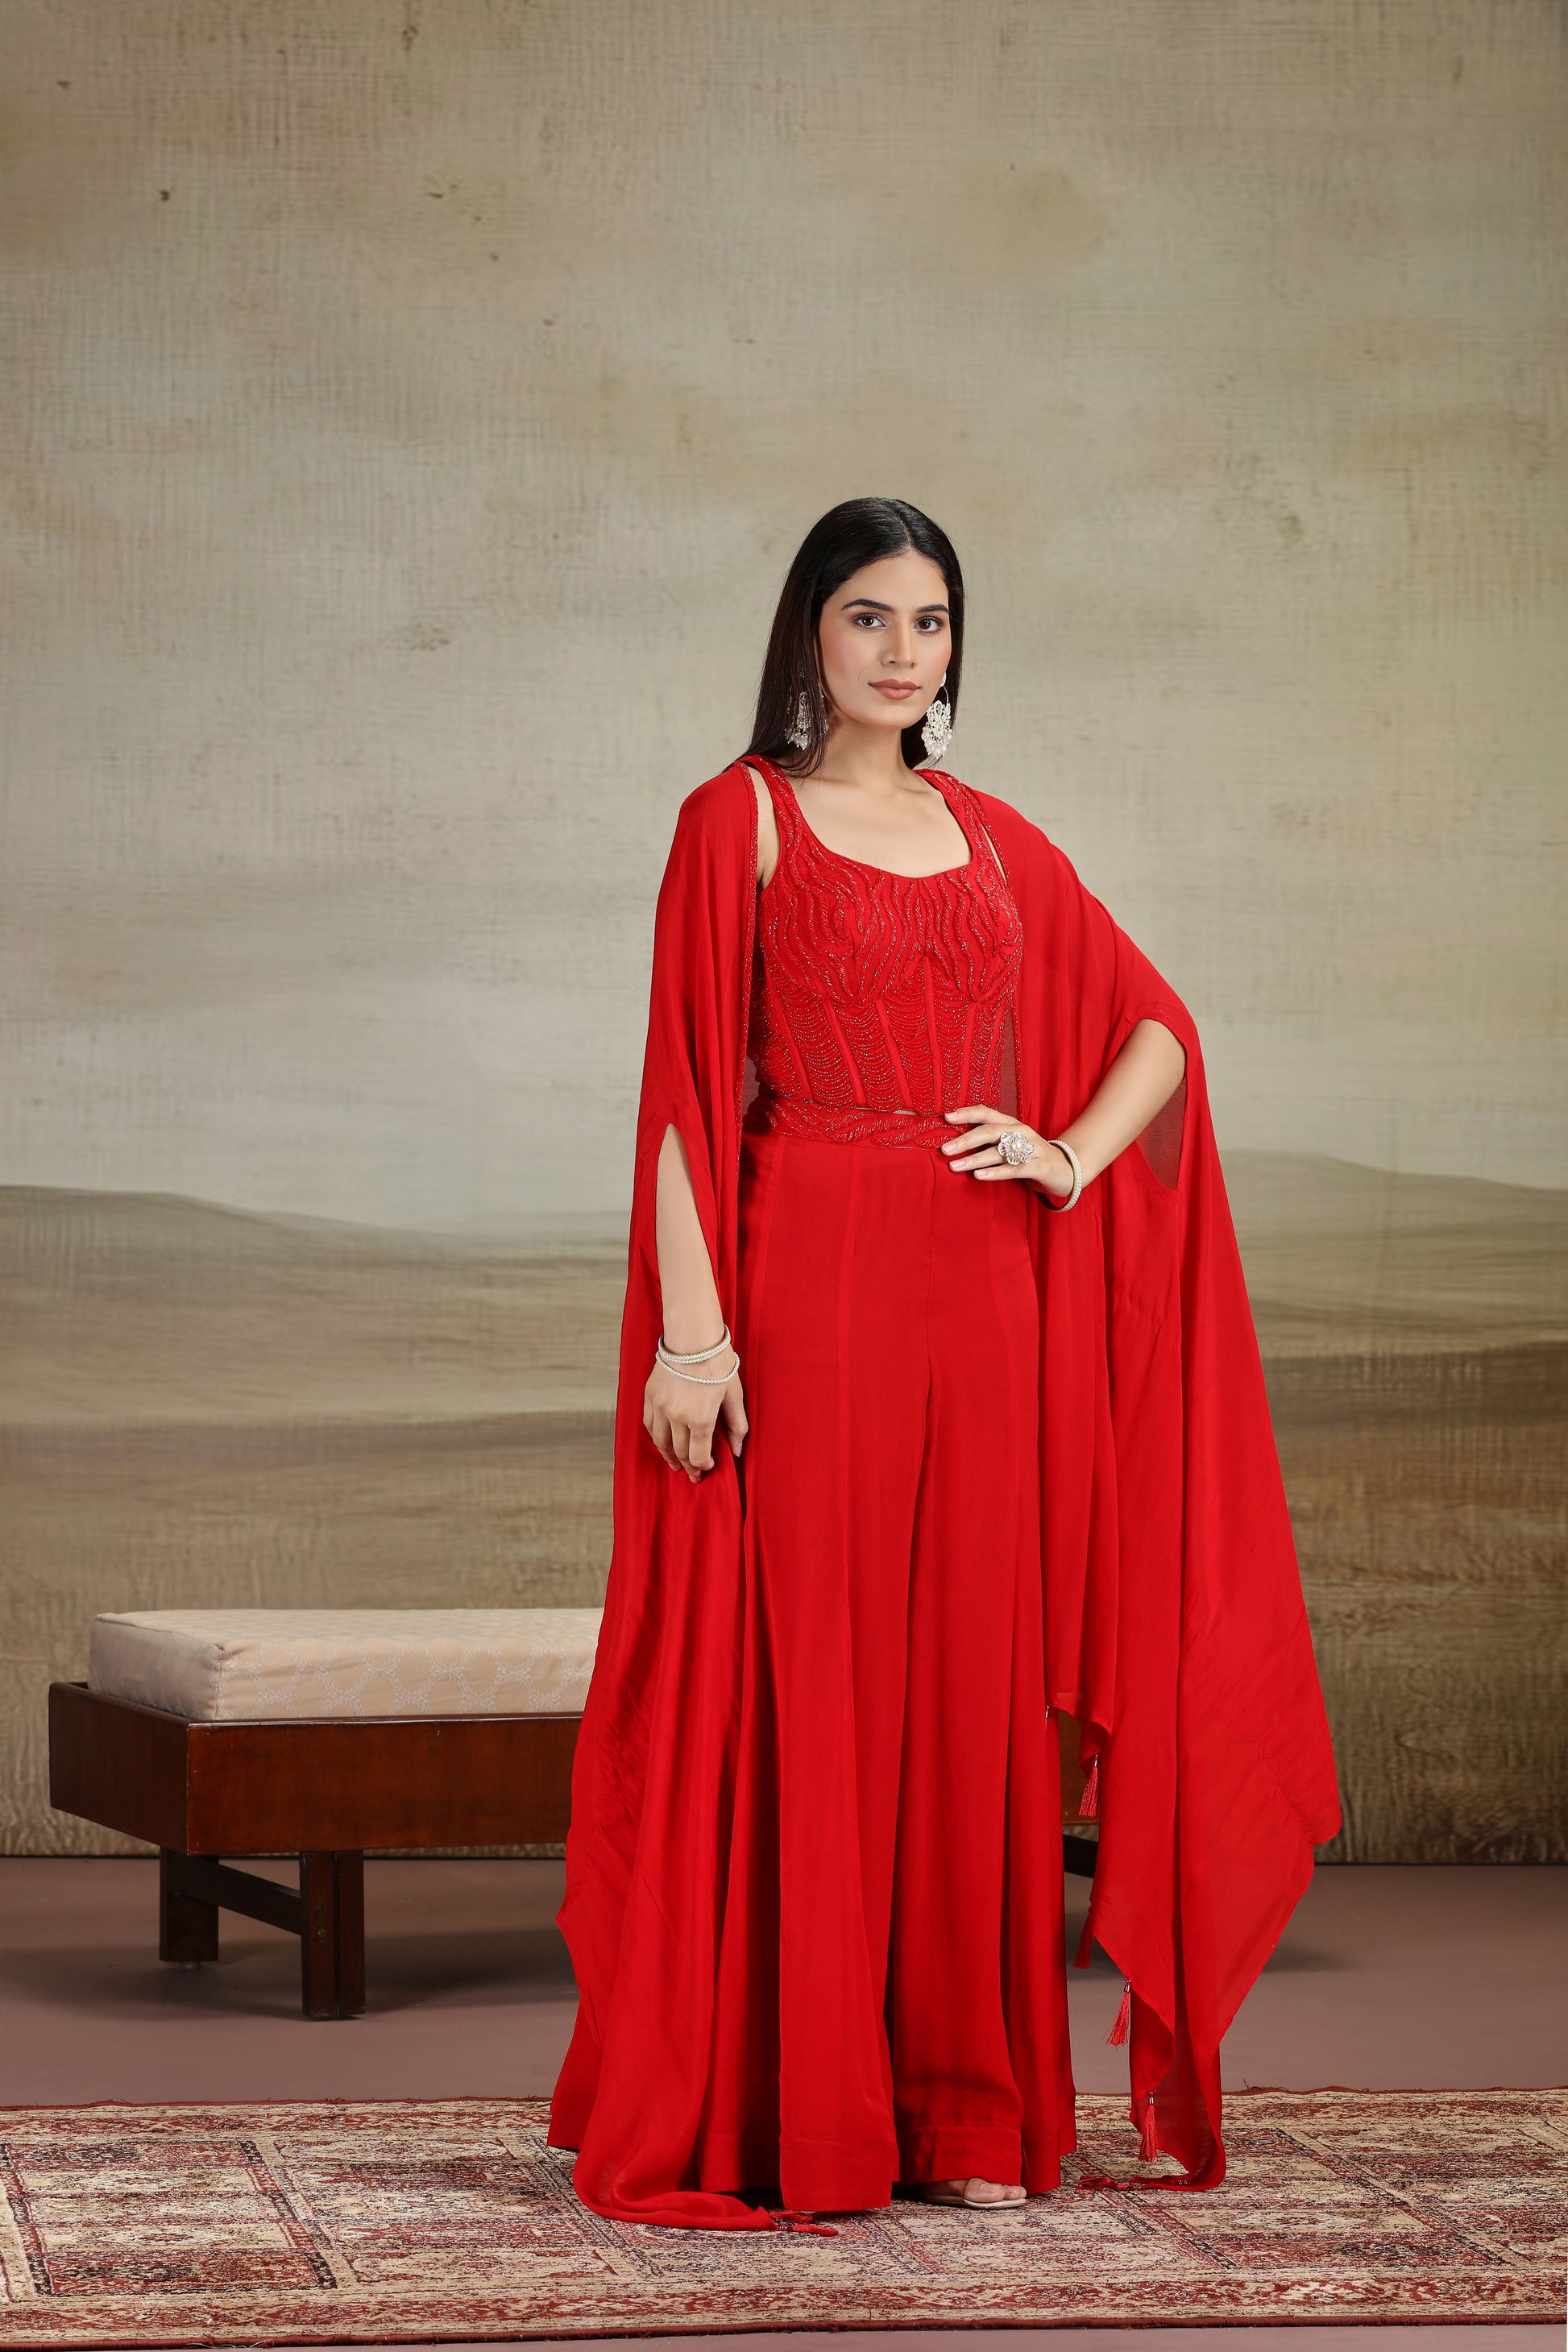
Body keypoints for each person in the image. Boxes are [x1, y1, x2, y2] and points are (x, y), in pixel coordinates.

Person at [547, 497, 1341, 2232]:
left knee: (970, 1697)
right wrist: (694, 1333)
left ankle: (970, 2107)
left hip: (983, 1307)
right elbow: (683, 1091)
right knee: (817, 1680)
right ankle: (796, 2107)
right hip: (804, 1280)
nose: (902, 651)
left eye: (930, 621)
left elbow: (1160, 1032)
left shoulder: (995, 842)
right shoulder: (736, 819)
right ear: (806, 637)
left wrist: (1061, 1153)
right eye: (867, 618)